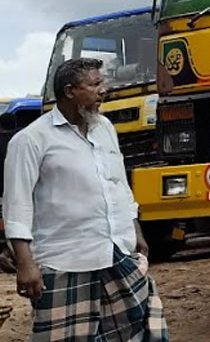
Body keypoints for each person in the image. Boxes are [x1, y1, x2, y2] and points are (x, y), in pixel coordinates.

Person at [3, 58, 168, 341]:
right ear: (70, 92)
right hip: (64, 258)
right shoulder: (30, 140)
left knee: (137, 331)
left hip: (115, 251)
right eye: (95, 84)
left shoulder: (104, 128)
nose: (103, 90)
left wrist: (135, 231)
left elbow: (118, 185)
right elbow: (16, 203)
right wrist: (25, 263)